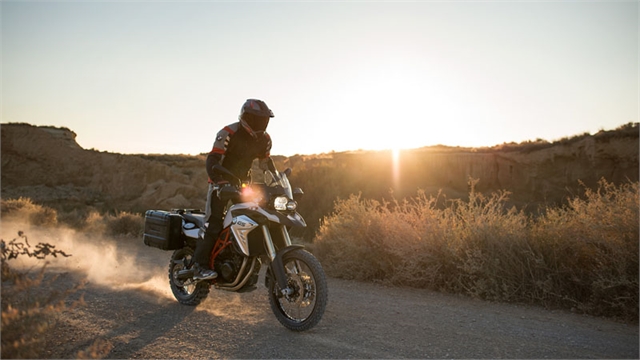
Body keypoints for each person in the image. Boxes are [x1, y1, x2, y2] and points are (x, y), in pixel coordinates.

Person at [192, 99, 276, 280]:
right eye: (256, 119)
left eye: (263, 119)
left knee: (254, 219)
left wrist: (277, 182)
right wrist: (219, 182)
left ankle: (238, 259)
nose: (260, 123)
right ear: (246, 117)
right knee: (213, 223)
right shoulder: (229, 132)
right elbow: (212, 160)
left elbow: (265, 165)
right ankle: (199, 265)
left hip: (244, 185)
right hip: (220, 183)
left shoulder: (265, 139)